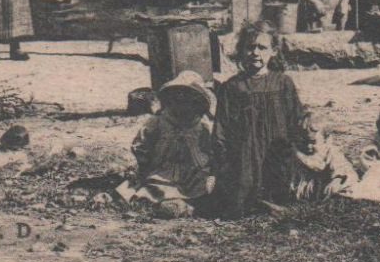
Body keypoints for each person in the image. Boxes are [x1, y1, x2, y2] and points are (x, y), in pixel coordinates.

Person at [212, 21, 350, 217]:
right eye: (250, 47)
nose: (255, 53)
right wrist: (223, 163)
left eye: (262, 47)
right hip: (245, 155)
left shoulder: (283, 83)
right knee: (240, 199)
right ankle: (254, 201)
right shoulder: (232, 87)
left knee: (282, 186)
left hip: (277, 150)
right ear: (241, 50)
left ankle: (273, 201)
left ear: (274, 51)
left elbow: (297, 119)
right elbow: (222, 128)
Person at [118, 71, 217, 218]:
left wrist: (210, 166)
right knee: (154, 186)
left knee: (203, 188)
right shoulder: (159, 121)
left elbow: (212, 148)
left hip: (193, 171)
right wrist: (146, 161)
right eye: (177, 97)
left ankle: (187, 205)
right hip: (165, 169)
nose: (182, 101)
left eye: (188, 98)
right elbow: (141, 143)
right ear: (170, 99)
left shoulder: (202, 125)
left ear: (197, 102)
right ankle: (165, 203)